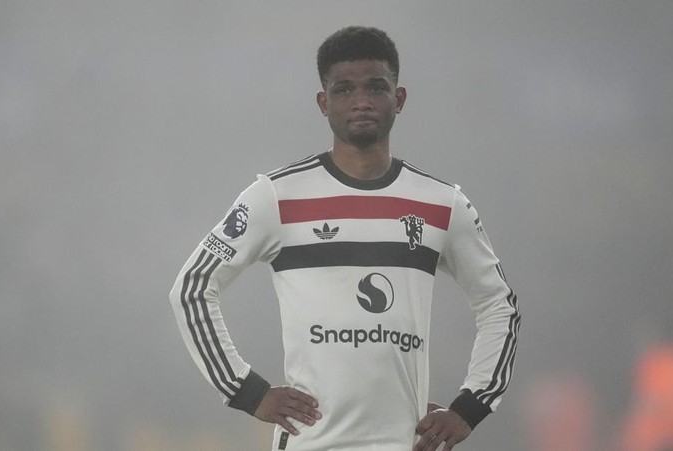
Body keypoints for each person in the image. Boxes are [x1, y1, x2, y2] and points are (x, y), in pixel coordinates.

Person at [169, 26, 519, 451]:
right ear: (324, 102)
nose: (362, 101)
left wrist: (471, 407)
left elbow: (499, 305)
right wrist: (248, 391)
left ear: (399, 98)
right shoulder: (276, 197)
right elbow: (191, 288)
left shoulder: (443, 204)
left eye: (376, 87)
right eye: (344, 90)